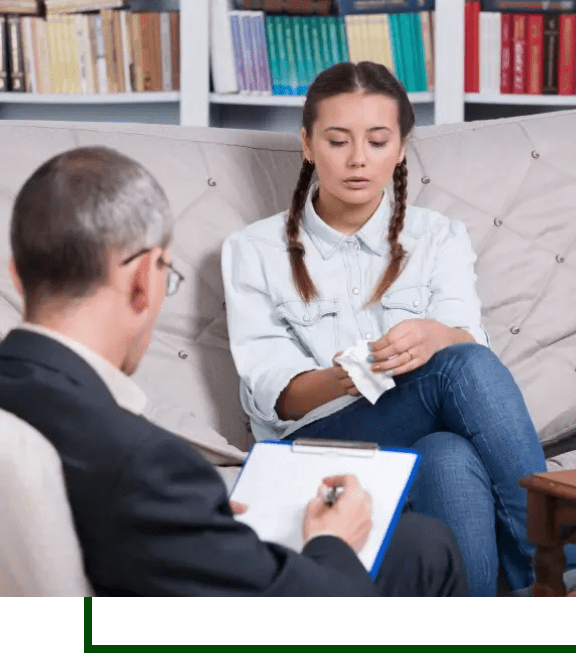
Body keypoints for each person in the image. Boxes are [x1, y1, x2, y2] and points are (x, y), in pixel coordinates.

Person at [0, 146, 468, 597]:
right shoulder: (144, 464)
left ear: (18, 276)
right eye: (167, 274)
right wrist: (334, 540)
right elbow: (318, 618)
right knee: (429, 547)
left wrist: (195, 523)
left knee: (417, 542)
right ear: (143, 280)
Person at [221, 62, 576, 597]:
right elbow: (271, 397)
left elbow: (471, 347)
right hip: (316, 446)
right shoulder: (252, 250)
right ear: (307, 144)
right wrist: (350, 375)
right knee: (459, 370)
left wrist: (437, 337)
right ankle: (560, 581)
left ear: (399, 149)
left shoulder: (438, 237)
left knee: (450, 452)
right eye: (337, 140)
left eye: (377, 141)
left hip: (417, 432)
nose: (357, 160)